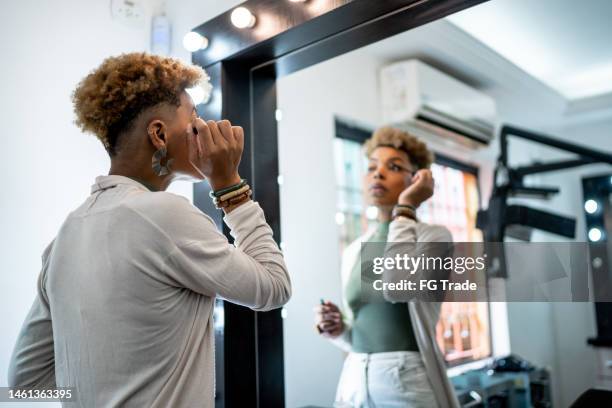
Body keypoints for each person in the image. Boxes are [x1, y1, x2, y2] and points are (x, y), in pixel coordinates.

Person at [8, 53, 291, 407]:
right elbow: (275, 287)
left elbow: (24, 383)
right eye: (195, 119)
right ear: (159, 134)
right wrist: (229, 184)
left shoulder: (65, 236)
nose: (204, 129)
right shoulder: (165, 215)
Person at [314, 127, 458, 408]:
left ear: (416, 179)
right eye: (371, 167)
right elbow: (360, 334)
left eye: (393, 167)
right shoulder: (357, 247)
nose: (377, 174)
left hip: (407, 383)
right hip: (354, 379)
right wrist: (338, 329)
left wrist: (405, 208)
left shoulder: (434, 237)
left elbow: (397, 286)